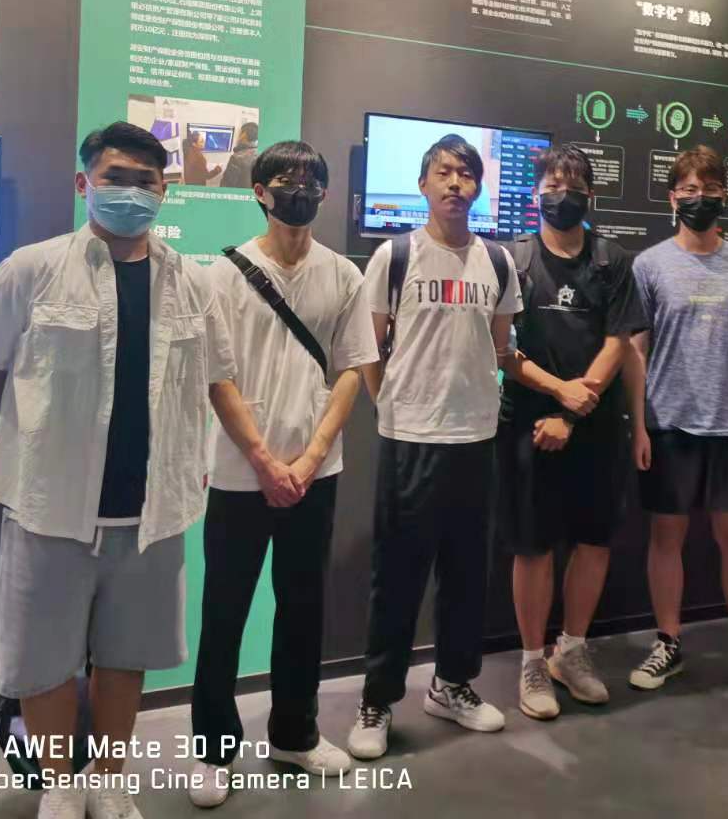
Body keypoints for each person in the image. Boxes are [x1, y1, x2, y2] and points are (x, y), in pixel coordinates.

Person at [0, 122, 236, 819]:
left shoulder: (193, 282)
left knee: (124, 654)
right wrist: (45, 430)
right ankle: (61, 783)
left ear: (165, 192)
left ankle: (108, 778)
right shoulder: (33, 268)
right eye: (115, 178)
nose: (130, 192)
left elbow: (214, 377)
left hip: (151, 510)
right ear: (84, 182)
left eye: (146, 181)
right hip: (49, 505)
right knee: (44, 658)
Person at [188, 141, 378, 808]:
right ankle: (213, 748)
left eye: (310, 180)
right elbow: (217, 377)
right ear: (259, 191)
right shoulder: (221, 275)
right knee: (224, 612)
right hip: (240, 474)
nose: (298, 189)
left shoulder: (343, 275)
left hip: (315, 475)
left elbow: (352, 369)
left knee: (303, 608)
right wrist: (267, 462)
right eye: (284, 179)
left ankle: (295, 733)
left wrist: (310, 457)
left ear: (324, 193)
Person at [346, 134, 522, 760]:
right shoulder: (395, 256)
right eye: (443, 172)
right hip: (410, 438)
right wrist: (389, 406)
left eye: (466, 174)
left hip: (475, 437)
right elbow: (368, 349)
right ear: (423, 184)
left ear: (478, 187)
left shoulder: (497, 262)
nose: (455, 183)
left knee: (467, 574)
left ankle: (452, 685)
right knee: (396, 576)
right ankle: (377, 699)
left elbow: (501, 347)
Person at [627, 145, 728, 701]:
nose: (700, 198)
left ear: (725, 196)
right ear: (672, 197)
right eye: (689, 189)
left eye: (710, 189)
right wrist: (638, 425)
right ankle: (668, 642)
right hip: (668, 423)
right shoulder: (649, 265)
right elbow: (635, 350)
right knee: (666, 536)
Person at [497, 145, 647, 720]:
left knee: (594, 541)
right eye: (553, 186)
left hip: (596, 423)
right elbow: (503, 348)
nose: (563, 195)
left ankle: (572, 651)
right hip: (527, 424)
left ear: (590, 195)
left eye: (575, 187)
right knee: (533, 545)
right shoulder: (512, 259)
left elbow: (619, 341)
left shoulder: (613, 260)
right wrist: (559, 392)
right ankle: (532, 661)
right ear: (536, 193)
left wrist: (576, 409)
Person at [218, 122, 259, 189]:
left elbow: (227, 185)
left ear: (244, 135)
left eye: (240, 133)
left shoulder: (237, 158)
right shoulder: (261, 155)